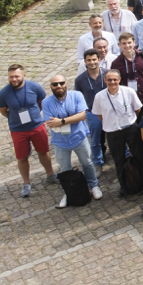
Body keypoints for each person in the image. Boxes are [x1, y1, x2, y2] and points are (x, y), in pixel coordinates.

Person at [42, 75, 102, 207]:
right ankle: (68, 192)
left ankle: (93, 185)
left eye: (61, 83)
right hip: (60, 141)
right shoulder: (46, 102)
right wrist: (71, 119)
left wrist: (61, 121)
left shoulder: (76, 95)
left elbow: (82, 115)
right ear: (50, 86)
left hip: (78, 137)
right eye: (55, 84)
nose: (59, 86)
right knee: (65, 169)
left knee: (87, 163)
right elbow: (49, 123)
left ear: (66, 83)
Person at [0, 64, 56, 198]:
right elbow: (3, 111)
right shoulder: (3, 93)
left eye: (16, 76)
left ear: (23, 75)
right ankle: (26, 183)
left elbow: (41, 103)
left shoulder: (34, 87)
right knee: (22, 157)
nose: (14, 79)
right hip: (18, 130)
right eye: (11, 77)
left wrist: (34, 115)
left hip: (37, 126)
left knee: (43, 152)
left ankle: (50, 174)